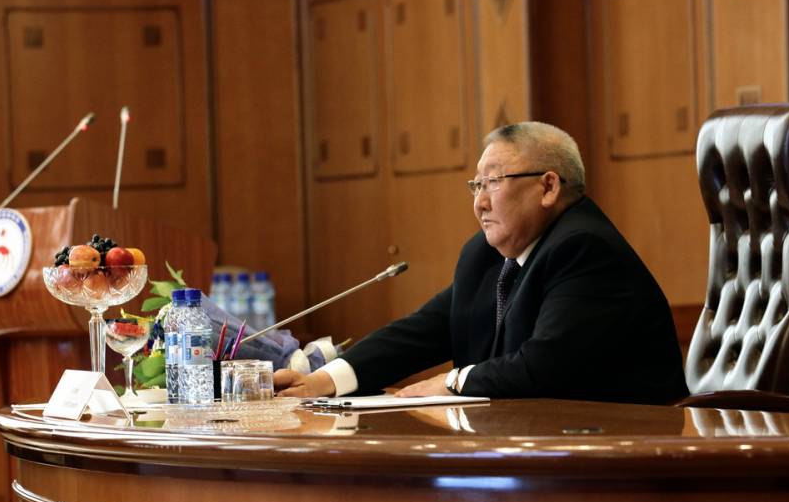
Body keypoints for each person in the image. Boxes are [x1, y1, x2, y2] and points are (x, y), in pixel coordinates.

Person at [275, 122, 689, 403]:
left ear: (548, 186)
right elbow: (425, 330)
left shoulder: (584, 249)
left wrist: (452, 381)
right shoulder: (488, 253)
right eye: (476, 185)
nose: (480, 202)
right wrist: (323, 380)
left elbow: (545, 367)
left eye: (493, 182)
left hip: (625, 453)